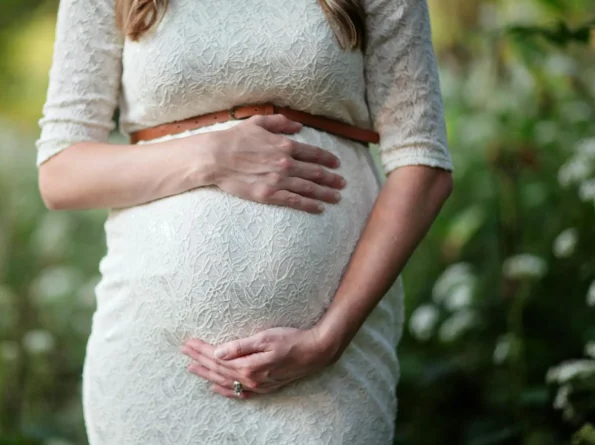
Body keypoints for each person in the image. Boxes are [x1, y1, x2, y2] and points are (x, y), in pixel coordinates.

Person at [35, 0, 454, 443]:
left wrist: (328, 341)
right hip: (154, 366)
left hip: (331, 372)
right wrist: (213, 157)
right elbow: (60, 173)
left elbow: (423, 165)